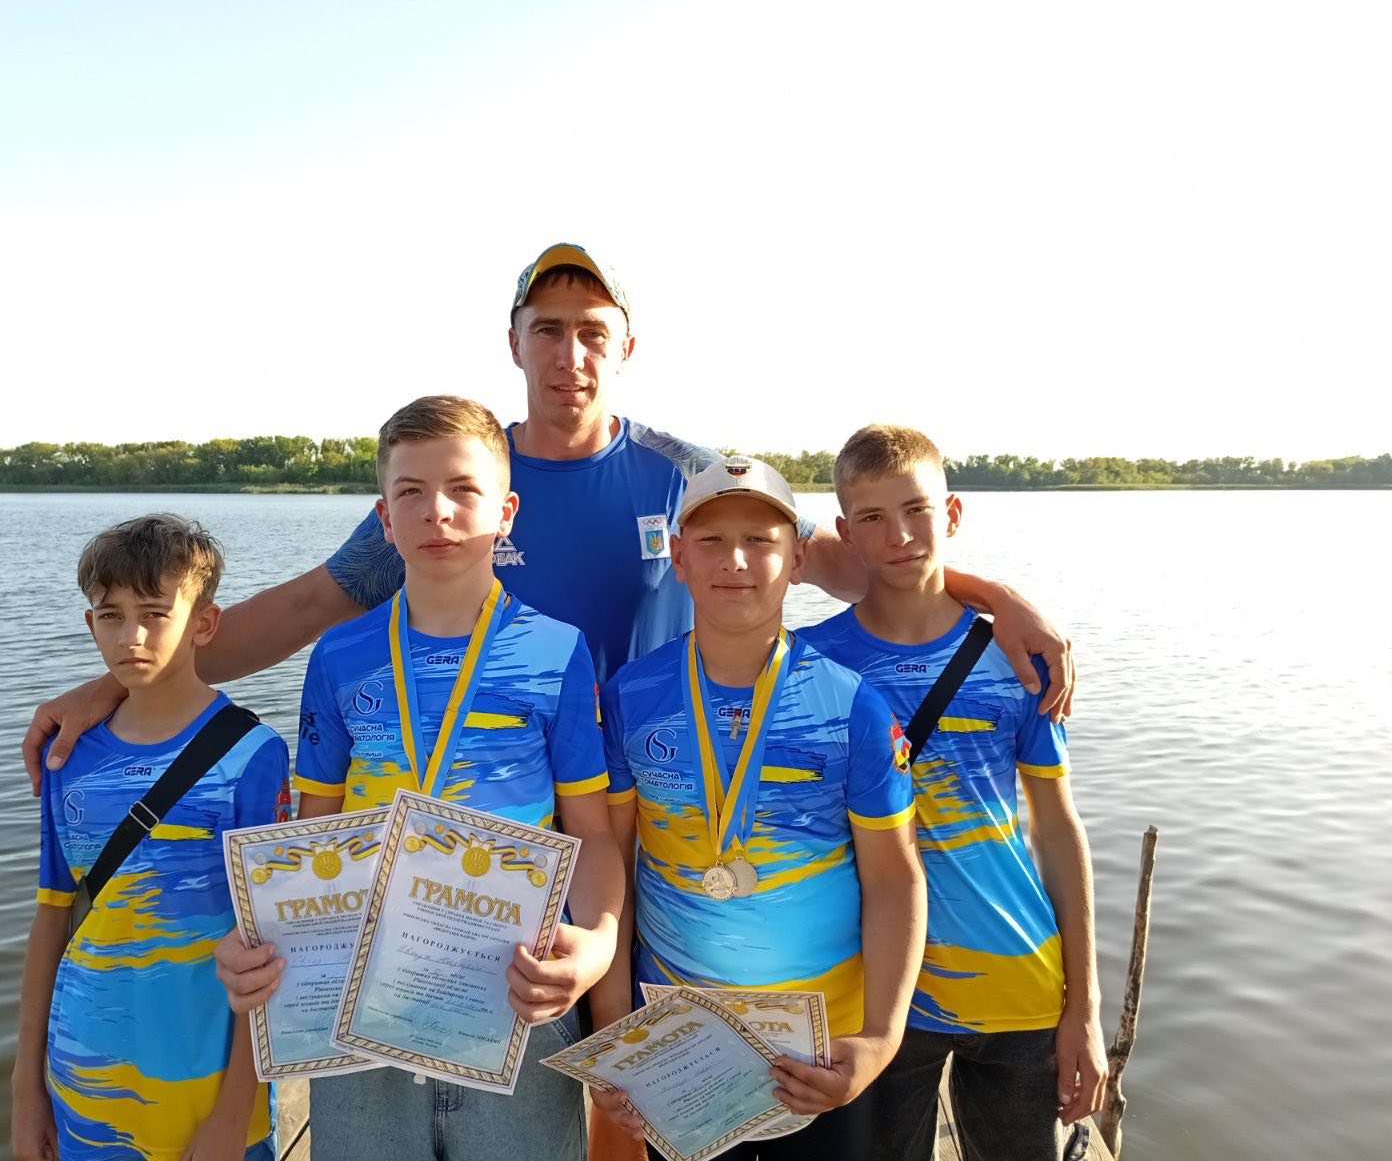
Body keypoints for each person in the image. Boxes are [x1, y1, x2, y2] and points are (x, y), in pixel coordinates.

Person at [20, 243, 1074, 789]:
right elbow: (303, 608)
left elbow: (859, 567)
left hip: (662, 787)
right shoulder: (458, 484)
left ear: (625, 347)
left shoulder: (686, 474)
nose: (570, 354)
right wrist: (121, 683)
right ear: (515, 342)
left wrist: (1000, 603)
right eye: (549, 329)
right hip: (505, 792)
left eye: (592, 331)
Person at [257, 395, 623, 1159]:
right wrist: (262, 941)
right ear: (384, 519)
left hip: (515, 993)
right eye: (411, 492)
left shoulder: (557, 651)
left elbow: (589, 833)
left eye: (463, 489)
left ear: (506, 512)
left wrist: (596, 943)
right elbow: (313, 834)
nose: (437, 512)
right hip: (361, 1002)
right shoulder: (340, 655)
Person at [592, 456, 927, 1160]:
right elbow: (611, 866)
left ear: (798, 558)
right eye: (711, 540)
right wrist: (614, 1030)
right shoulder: (630, 696)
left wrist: (880, 1038)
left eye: (760, 540)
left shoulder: (854, 706)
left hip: (821, 1049)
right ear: (678, 557)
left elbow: (894, 878)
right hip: (674, 1044)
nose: (735, 560)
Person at [800, 424, 1106, 1161]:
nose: (900, 535)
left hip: (1020, 979)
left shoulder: (1019, 658)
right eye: (872, 517)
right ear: (846, 532)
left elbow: (1057, 828)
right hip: (881, 994)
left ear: (954, 513)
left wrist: (1085, 1006)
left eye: (918, 510)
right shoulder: (810, 665)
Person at [10, 514, 290, 1161]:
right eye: (111, 616)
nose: (130, 636)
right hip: (83, 1083)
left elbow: (271, 946)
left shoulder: (252, 756)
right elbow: (52, 918)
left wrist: (234, 1115)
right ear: (90, 624)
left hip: (204, 1087)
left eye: (155, 614)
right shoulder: (66, 754)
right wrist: (26, 1088)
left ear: (204, 624)